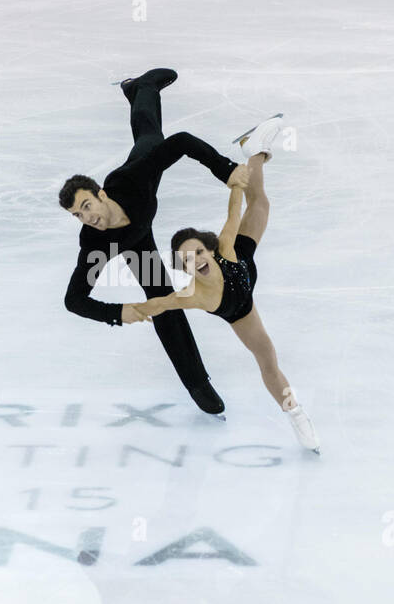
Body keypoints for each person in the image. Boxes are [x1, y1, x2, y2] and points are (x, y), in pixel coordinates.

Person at [59, 68, 250, 416]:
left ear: (101, 194)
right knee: (162, 298)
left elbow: (183, 142)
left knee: (152, 137)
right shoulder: (95, 244)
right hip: (134, 243)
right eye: (78, 215)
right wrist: (116, 313)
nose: (87, 218)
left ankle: (142, 88)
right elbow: (74, 300)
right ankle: (197, 383)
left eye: (87, 206)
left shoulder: (131, 179)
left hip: (141, 198)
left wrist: (224, 169)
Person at [131, 116, 320, 453]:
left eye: (198, 253)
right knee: (267, 360)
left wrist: (235, 180)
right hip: (240, 310)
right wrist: (128, 312)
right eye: (187, 260)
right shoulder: (191, 295)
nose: (196, 261)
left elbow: (234, 211)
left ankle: (255, 151)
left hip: (241, 264)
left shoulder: (226, 246)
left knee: (259, 202)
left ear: (209, 249)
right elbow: (161, 305)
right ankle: (296, 414)